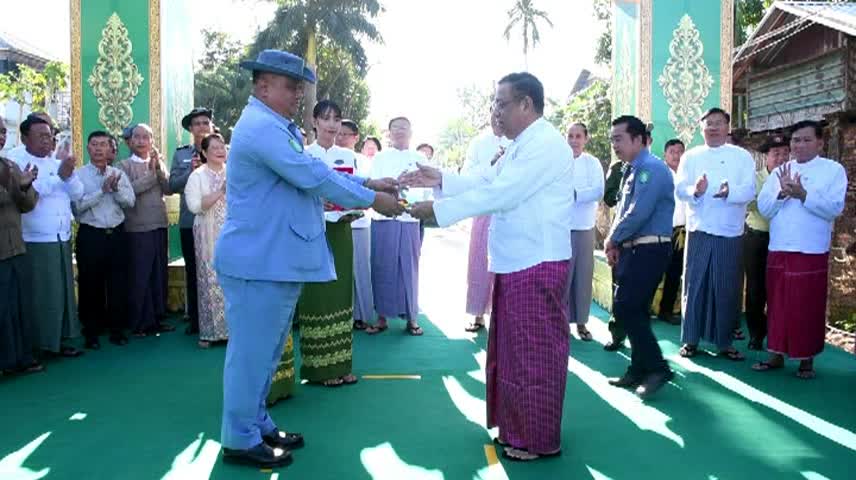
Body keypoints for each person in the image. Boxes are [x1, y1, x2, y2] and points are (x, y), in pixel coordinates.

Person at [213, 49, 404, 468]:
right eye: (289, 85)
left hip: (272, 259)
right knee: (251, 354)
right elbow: (312, 175)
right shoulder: (261, 127)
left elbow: (310, 170)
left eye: (299, 85)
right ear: (262, 86)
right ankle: (239, 438)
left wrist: (368, 179)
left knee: (263, 353)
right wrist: (375, 198)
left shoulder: (274, 126)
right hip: (257, 261)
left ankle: (257, 421)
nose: (298, 93)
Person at [404, 72, 574, 461]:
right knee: (514, 352)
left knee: (534, 353)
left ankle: (538, 438)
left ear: (526, 105)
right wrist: (441, 177)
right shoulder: (520, 145)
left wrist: (439, 211)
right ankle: (517, 427)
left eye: (502, 103)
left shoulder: (544, 144)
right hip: (518, 261)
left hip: (537, 261)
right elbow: (486, 178)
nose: (496, 111)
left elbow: (502, 193)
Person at [753, 120, 847, 379]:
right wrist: (782, 195)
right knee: (777, 303)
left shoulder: (833, 170)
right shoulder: (780, 170)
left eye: (806, 140)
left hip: (811, 249)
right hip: (780, 247)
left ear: (820, 142)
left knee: (807, 306)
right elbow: (764, 209)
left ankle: (806, 360)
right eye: (796, 140)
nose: (800, 145)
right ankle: (775, 354)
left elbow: (834, 208)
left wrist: (804, 195)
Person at [603, 115, 675, 398]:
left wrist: (612, 239)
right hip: (633, 248)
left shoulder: (652, 169)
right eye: (612, 140)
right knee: (636, 309)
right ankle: (638, 368)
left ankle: (658, 367)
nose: (614, 145)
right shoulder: (631, 170)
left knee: (626, 307)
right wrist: (615, 243)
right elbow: (621, 212)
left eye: (618, 139)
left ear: (638, 139)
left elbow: (639, 212)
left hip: (650, 248)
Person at [675, 107, 755, 361]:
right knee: (694, 284)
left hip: (729, 231)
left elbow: (749, 190)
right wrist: (696, 191)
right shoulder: (691, 156)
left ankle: (724, 342)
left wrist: (729, 192)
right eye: (708, 123)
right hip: (699, 229)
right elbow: (680, 189)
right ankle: (690, 340)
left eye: (718, 123)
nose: (713, 127)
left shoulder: (742, 156)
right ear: (702, 128)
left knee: (727, 287)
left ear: (727, 127)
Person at [296, 100, 365, 386]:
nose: (332, 124)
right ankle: (320, 369)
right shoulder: (302, 154)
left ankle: (342, 364)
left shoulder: (347, 156)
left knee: (340, 292)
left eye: (337, 119)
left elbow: (355, 189)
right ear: (314, 122)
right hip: (313, 232)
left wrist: (355, 208)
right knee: (319, 294)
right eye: (326, 118)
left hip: (341, 231)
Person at [9, 115, 84, 359]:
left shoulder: (54, 162)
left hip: (60, 236)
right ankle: (41, 344)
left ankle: (59, 339)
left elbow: (77, 193)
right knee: (43, 294)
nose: (47, 140)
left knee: (61, 292)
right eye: (41, 135)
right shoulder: (17, 160)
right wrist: (60, 176)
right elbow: (31, 192)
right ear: (24, 138)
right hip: (37, 239)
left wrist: (69, 174)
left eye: (49, 135)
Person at [364, 117, 428, 336]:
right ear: (389, 133)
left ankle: (412, 318)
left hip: (410, 219)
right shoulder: (380, 158)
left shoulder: (420, 158)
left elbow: (426, 189)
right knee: (382, 266)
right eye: (395, 128)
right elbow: (374, 185)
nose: (399, 131)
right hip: (384, 218)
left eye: (404, 127)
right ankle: (381, 318)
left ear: (411, 132)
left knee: (409, 268)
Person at [74, 131, 135, 349]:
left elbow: (130, 202)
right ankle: (91, 332)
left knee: (118, 283)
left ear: (111, 150)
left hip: (117, 235)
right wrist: (101, 191)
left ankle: (117, 330)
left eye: (104, 145)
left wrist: (116, 189)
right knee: (91, 284)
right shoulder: (79, 175)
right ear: (88, 148)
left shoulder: (118, 174)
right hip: (91, 235)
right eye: (94, 144)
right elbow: (77, 207)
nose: (99, 149)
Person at [118, 124, 174, 337]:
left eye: (146, 138)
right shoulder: (123, 166)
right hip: (137, 228)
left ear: (152, 141)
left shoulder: (157, 163)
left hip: (159, 224)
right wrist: (151, 176)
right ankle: (139, 322)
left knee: (158, 274)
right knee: (140, 275)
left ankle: (158, 318)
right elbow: (128, 192)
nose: (141, 141)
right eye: (137, 137)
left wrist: (158, 169)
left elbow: (168, 189)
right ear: (130, 141)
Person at [461, 112, 509, 332]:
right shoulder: (479, 143)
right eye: (495, 110)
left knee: (506, 264)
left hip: (510, 209)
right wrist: (491, 163)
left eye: (503, 109)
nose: (498, 116)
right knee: (480, 261)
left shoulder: (518, 139)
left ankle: (504, 316)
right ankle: (477, 314)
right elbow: (466, 173)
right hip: (483, 207)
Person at [170, 107, 214, 336]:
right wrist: (191, 171)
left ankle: (220, 320)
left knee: (218, 270)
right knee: (194, 272)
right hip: (191, 221)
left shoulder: (221, 150)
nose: (202, 127)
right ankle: (196, 320)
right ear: (190, 129)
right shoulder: (181, 155)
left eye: (205, 122)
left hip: (217, 221)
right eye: (197, 124)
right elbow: (171, 186)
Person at [743, 134, 789, 350]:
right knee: (755, 289)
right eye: (776, 153)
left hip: (783, 240)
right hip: (757, 238)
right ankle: (756, 333)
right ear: (766, 157)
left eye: (784, 153)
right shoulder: (755, 178)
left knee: (779, 289)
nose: (780, 158)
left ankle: (777, 333)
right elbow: (750, 203)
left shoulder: (794, 177)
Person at [1, 145, 43, 375]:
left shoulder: (9, 166)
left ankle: (21, 358)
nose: (1, 137)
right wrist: (14, 187)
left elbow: (27, 204)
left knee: (20, 306)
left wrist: (25, 186)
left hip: (15, 247)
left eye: (2, 132)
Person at [185, 133, 229, 348]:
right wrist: (220, 192)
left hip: (233, 236)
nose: (221, 151)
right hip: (208, 234)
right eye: (215, 148)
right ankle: (210, 333)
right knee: (210, 280)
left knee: (233, 282)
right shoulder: (197, 176)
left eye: (223, 147)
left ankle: (234, 332)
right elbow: (194, 206)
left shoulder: (233, 172)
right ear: (204, 153)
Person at [566, 122, 605, 341]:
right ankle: (559, 323)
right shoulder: (557, 162)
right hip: (560, 227)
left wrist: (576, 194)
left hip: (583, 226)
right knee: (562, 277)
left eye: (578, 136)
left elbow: (599, 190)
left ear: (586, 138)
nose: (574, 140)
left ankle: (581, 323)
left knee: (582, 275)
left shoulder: (592, 163)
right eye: (570, 136)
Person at [336, 119, 374, 330]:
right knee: (340, 270)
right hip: (335, 221)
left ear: (355, 137)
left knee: (361, 268)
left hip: (359, 221)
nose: (340, 138)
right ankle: (342, 312)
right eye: (338, 133)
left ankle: (362, 314)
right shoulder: (329, 155)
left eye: (346, 134)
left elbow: (368, 186)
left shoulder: (363, 161)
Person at [657, 138, 686, 325]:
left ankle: (666, 310)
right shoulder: (660, 173)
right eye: (672, 152)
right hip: (662, 230)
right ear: (665, 154)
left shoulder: (687, 173)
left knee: (675, 273)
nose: (676, 155)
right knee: (654, 272)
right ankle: (644, 309)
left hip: (683, 232)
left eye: (680, 152)